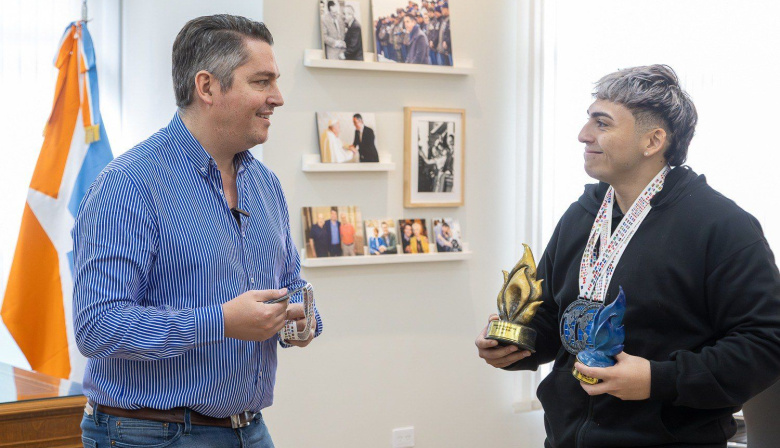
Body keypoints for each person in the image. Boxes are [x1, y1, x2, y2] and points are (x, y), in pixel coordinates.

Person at [475, 64, 780, 447]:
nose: (583, 135)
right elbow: (555, 315)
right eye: (589, 120)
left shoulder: (722, 226)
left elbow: (765, 344)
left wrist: (658, 379)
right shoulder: (582, 215)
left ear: (652, 141)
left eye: (602, 124)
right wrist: (520, 343)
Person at [73, 15, 323, 448]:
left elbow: (289, 283)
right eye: (261, 82)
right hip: (150, 434)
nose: (277, 98)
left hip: (250, 429)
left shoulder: (266, 185)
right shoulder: (129, 184)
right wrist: (221, 322)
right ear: (206, 87)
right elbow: (97, 326)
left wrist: (299, 318)